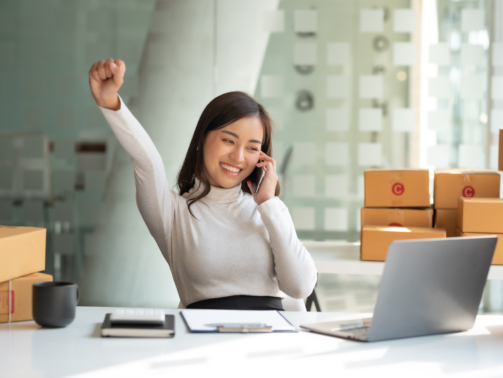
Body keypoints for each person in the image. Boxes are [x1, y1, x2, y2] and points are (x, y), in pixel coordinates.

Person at [88, 58, 317, 311]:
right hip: (203, 343)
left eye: (252, 148)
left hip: (268, 343)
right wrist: (110, 103)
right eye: (228, 141)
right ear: (202, 138)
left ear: (262, 158)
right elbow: (147, 161)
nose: (239, 157)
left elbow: (301, 287)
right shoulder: (173, 213)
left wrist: (269, 203)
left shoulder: (268, 211)